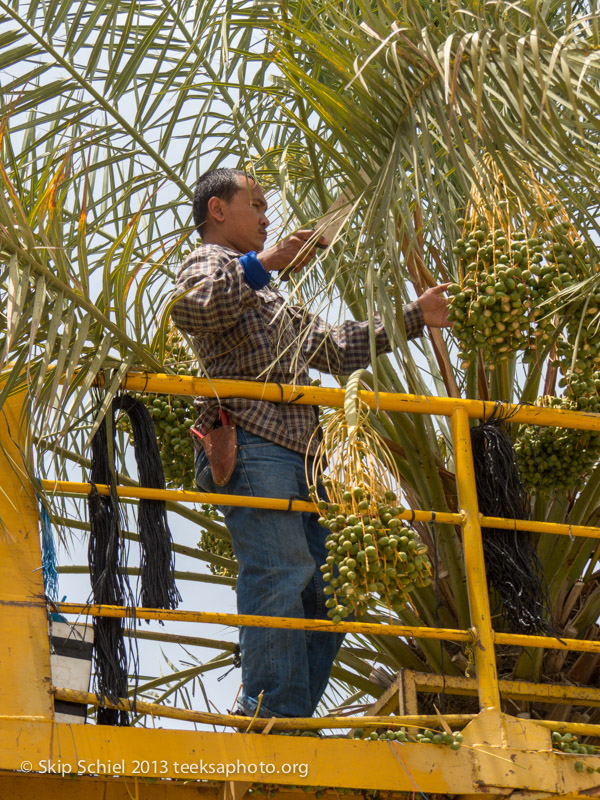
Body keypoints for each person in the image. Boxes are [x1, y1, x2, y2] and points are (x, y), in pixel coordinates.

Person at [170, 167, 450, 721]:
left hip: (304, 453)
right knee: (281, 573)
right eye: (256, 203)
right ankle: (275, 715)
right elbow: (191, 309)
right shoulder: (211, 262)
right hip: (253, 443)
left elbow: (336, 348)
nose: (268, 217)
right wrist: (265, 263)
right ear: (218, 211)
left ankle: (288, 714)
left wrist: (416, 317)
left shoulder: (269, 296)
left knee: (331, 589)